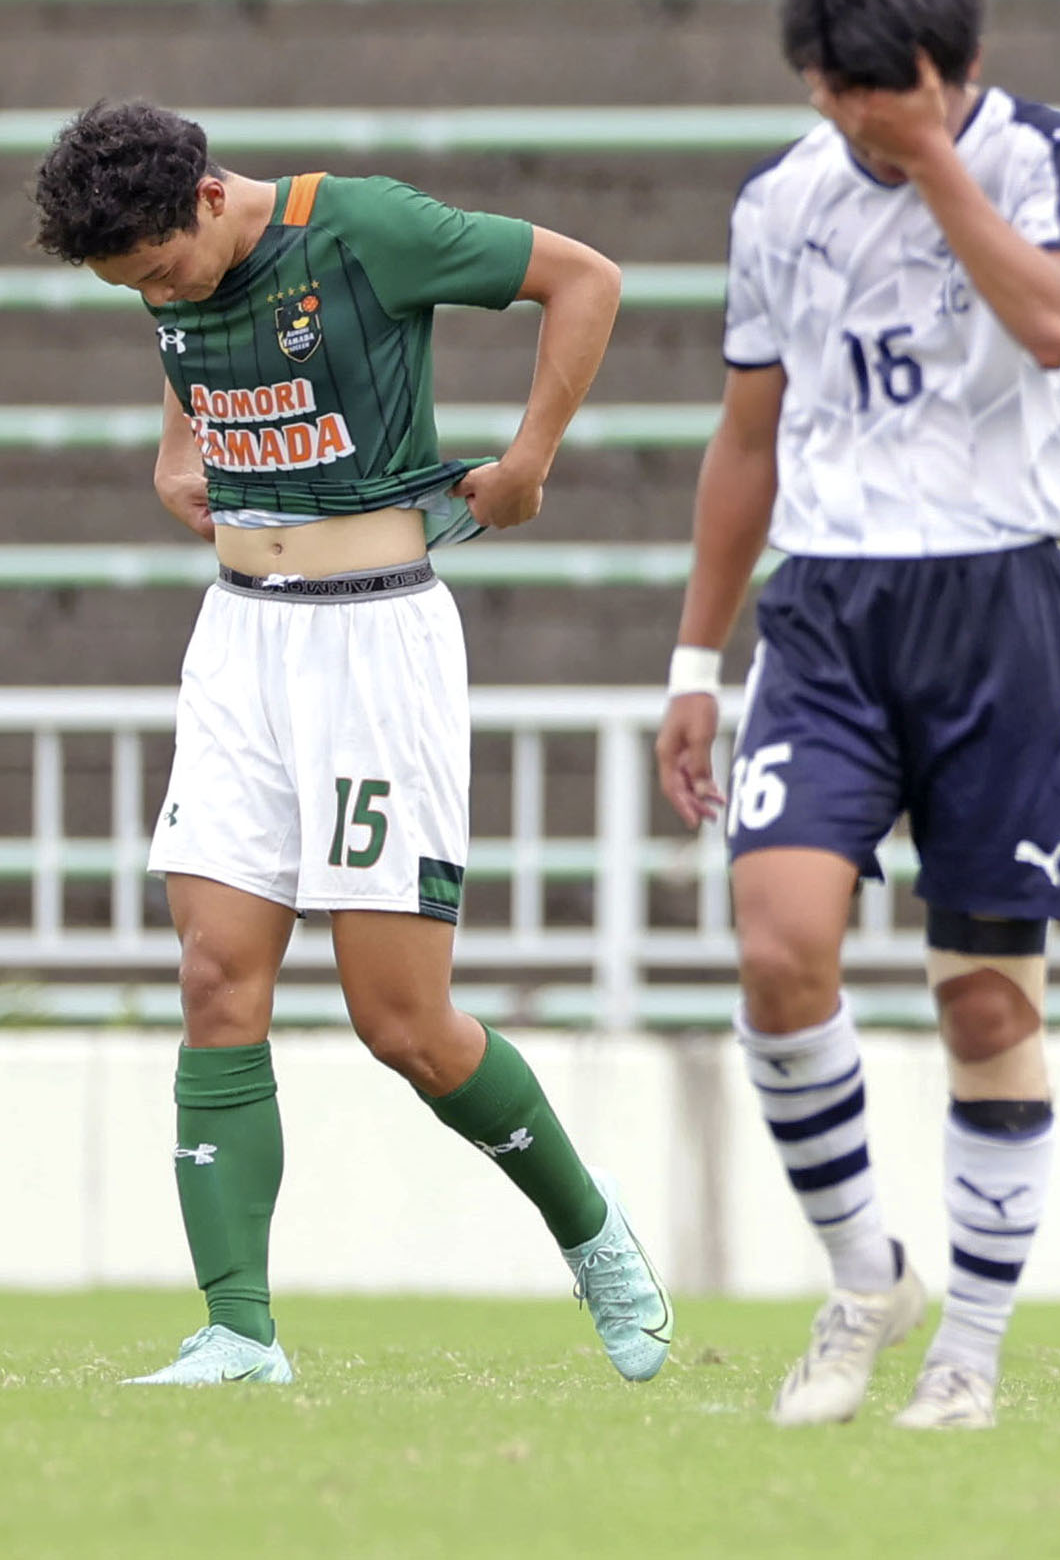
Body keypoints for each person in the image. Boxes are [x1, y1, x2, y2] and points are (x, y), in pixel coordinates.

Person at [31, 98, 660, 1387]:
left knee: (403, 1021)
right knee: (216, 974)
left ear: (207, 198)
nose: (154, 294)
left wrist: (532, 459)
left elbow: (584, 279)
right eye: (130, 288)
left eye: (157, 270)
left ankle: (591, 1232)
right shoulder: (172, 274)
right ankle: (238, 1330)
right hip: (239, 641)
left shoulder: (362, 229)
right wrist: (173, 457)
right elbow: (189, 349)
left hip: (375, 646)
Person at [653, 0, 1060, 1432]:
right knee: (780, 942)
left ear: (953, 70)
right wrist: (692, 662)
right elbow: (745, 438)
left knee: (985, 1001)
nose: (859, 118)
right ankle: (867, 1279)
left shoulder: (1045, 154)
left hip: (999, 601)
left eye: (889, 93)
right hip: (831, 610)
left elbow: (1054, 322)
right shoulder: (777, 202)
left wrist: (935, 165)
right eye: (838, 93)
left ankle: (969, 1348)